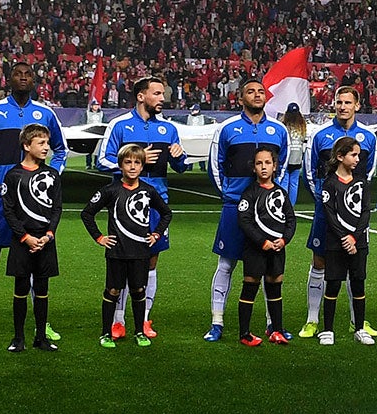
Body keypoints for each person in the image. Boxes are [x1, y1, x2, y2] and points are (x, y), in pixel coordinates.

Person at [0, 62, 67, 344]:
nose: (23, 77)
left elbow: (62, 150)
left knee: (37, 256)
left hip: (35, 203)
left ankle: (41, 326)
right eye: (17, 74)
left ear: (34, 80)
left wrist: (50, 177)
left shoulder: (45, 113)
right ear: (8, 79)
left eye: (28, 74)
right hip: (1, 197)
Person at [95, 73, 186, 340]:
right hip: (125, 205)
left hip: (157, 203)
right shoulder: (120, 125)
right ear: (141, 96)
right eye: (157, 93)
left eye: (163, 93)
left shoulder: (168, 129)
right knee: (123, 261)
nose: (162, 98)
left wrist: (180, 158)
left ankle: (143, 319)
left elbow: (179, 167)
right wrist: (137, 157)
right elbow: (103, 159)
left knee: (151, 261)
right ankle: (118, 320)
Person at [207, 78, 289, 343]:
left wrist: (272, 196)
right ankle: (217, 322)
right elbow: (215, 165)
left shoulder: (278, 130)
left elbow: (283, 165)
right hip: (235, 207)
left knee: (269, 267)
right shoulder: (227, 128)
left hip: (268, 211)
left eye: (260, 91)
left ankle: (271, 324)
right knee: (227, 264)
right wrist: (229, 195)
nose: (256, 95)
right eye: (250, 91)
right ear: (240, 98)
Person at [306, 84, 377, 337]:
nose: (343, 107)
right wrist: (322, 197)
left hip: (355, 214)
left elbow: (367, 173)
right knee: (320, 261)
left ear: (357, 106)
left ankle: (356, 322)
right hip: (326, 210)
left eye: (348, 102)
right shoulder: (321, 136)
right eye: (339, 102)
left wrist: (353, 199)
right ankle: (313, 319)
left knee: (355, 263)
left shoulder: (368, 137)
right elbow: (311, 170)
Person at [6, 124, 66, 352]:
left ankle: (41, 337)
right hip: (23, 242)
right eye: (41, 143)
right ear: (26, 145)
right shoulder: (13, 175)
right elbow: (8, 210)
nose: (46, 147)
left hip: (45, 242)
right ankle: (18, 338)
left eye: (47, 143)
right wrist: (25, 237)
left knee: (42, 290)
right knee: (20, 288)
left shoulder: (52, 174)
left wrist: (49, 234)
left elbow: (57, 207)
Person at [314, 135, 374, 344]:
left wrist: (354, 238)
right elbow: (329, 214)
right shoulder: (330, 184)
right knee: (333, 284)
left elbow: (366, 211)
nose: (357, 159)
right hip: (335, 243)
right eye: (353, 155)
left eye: (359, 155)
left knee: (358, 284)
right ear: (340, 156)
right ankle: (327, 330)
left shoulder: (362, 182)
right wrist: (343, 237)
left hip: (359, 242)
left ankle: (359, 328)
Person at [236, 148, 295, 345]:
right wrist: (262, 242)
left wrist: (284, 240)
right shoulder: (250, 193)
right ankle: (244, 333)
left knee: (275, 287)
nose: (263, 167)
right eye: (259, 163)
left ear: (275, 166)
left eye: (267, 163)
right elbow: (244, 221)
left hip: (277, 249)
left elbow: (291, 220)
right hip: (256, 249)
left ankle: (277, 330)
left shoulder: (280, 193)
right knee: (250, 287)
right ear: (254, 168)